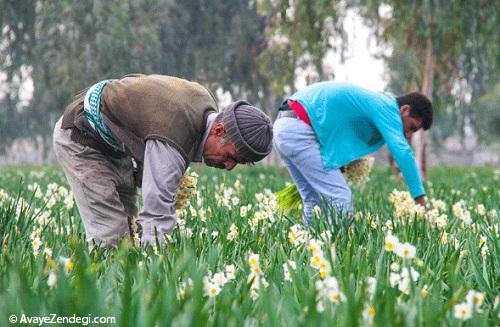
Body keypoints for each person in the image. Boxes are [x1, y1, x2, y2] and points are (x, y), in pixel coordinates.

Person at [53, 74, 273, 247]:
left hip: (115, 144)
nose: (229, 167)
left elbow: (142, 100)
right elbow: (156, 214)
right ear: (218, 129)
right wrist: (158, 277)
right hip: (82, 138)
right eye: (231, 157)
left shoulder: (203, 103)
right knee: (111, 239)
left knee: (130, 233)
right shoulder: (175, 133)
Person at [273, 81, 432, 225]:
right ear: (405, 110)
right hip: (298, 129)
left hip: (284, 124)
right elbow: (403, 153)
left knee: (312, 199)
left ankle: (307, 247)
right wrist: (420, 200)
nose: (408, 135)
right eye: (411, 127)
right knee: (340, 197)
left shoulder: (379, 103)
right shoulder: (387, 108)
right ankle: (333, 250)